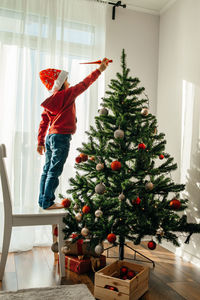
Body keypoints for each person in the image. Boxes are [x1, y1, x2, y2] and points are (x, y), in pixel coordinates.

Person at [37, 58, 109, 209]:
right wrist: (100, 70)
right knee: (55, 169)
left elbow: (44, 122)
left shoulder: (50, 101)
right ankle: (48, 202)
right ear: (62, 84)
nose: (69, 83)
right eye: (67, 81)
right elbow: (84, 84)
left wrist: (40, 142)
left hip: (51, 137)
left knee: (47, 169)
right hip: (61, 137)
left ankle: (42, 200)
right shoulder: (67, 94)